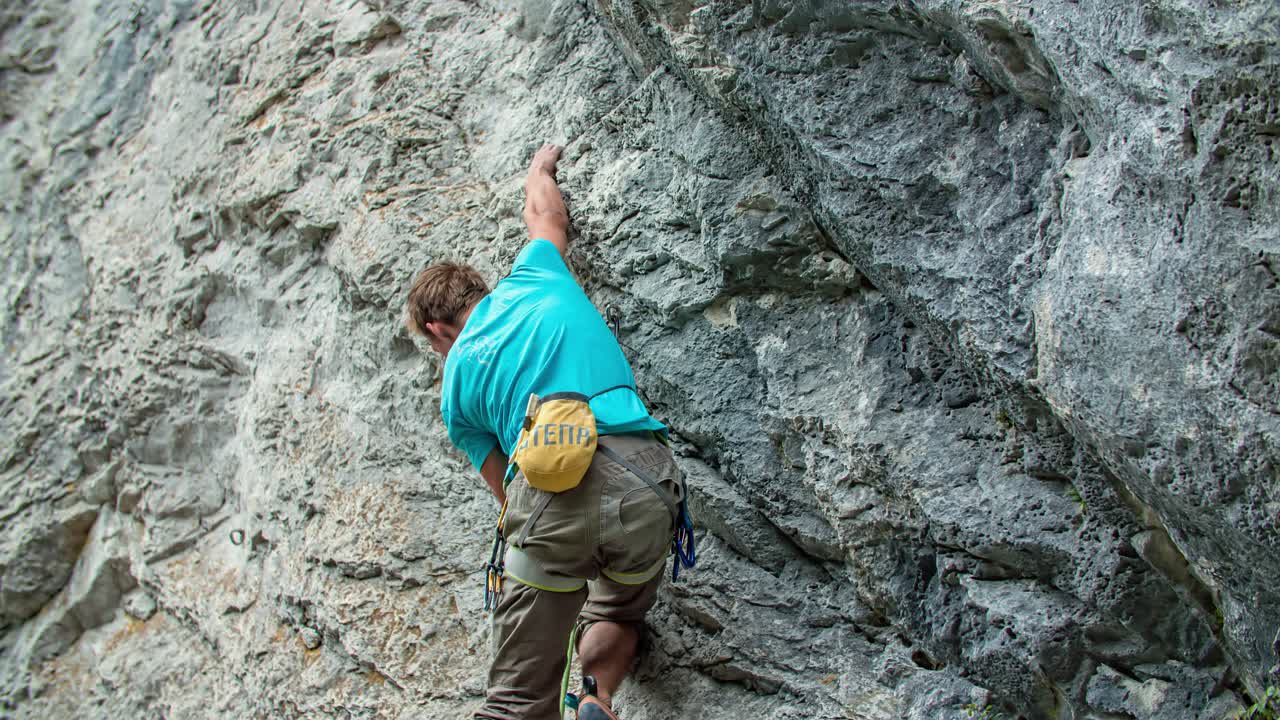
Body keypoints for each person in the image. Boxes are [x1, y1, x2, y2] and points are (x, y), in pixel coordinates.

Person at [404, 143, 683, 720]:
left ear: (437, 330)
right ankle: (596, 697)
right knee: (617, 613)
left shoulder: (455, 391)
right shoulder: (536, 275)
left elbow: (506, 497)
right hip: (646, 481)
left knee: (513, 702)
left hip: (552, 502)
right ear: (479, 291)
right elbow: (546, 215)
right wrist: (539, 168)